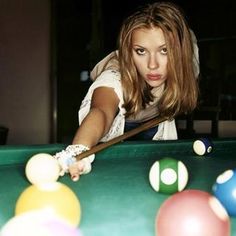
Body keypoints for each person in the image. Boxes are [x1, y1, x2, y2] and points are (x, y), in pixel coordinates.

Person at [54, 1, 199, 181]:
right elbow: (101, 112)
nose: (152, 65)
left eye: (164, 51)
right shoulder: (114, 76)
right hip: (120, 123)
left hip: (153, 123)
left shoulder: (188, 64)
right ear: (129, 53)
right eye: (140, 51)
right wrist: (77, 152)